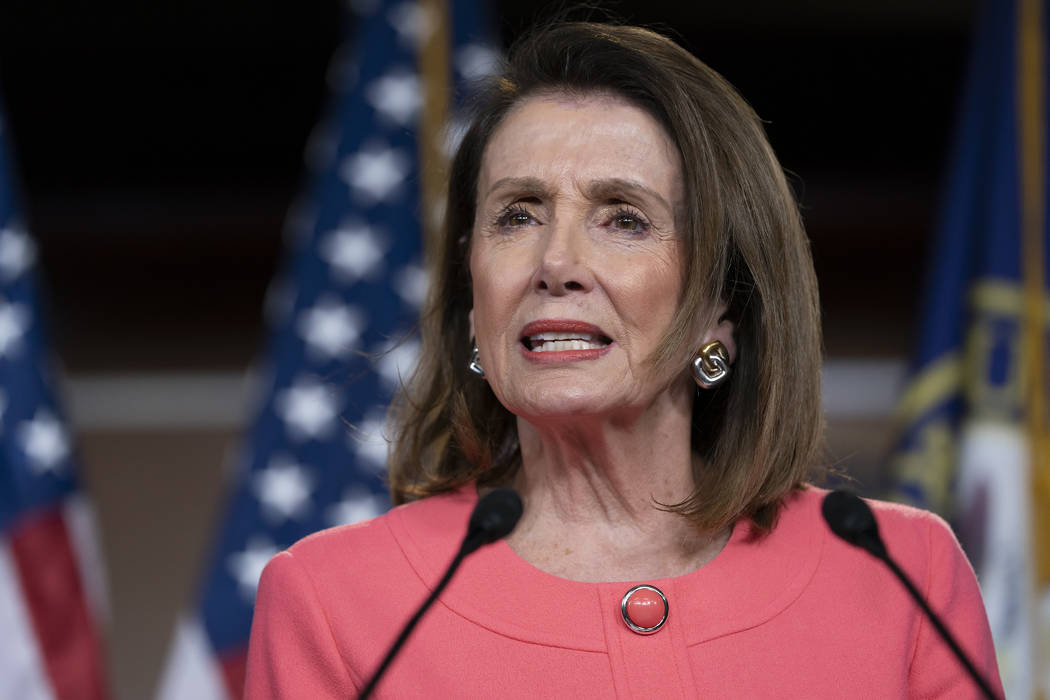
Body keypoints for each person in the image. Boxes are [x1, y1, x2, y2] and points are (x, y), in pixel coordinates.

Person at [244, 22, 1002, 698]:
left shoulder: (901, 575)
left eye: (623, 218)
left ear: (721, 306)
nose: (556, 262)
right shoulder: (333, 602)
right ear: (472, 300)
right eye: (516, 215)